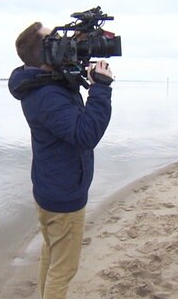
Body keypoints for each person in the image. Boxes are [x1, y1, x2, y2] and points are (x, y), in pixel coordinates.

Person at [8, 22, 114, 298]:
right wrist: (101, 89)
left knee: (51, 254)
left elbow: (65, 84)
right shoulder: (46, 95)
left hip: (51, 188)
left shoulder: (42, 81)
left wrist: (79, 47)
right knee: (63, 269)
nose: (61, 42)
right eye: (54, 40)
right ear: (45, 54)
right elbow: (85, 135)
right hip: (64, 198)